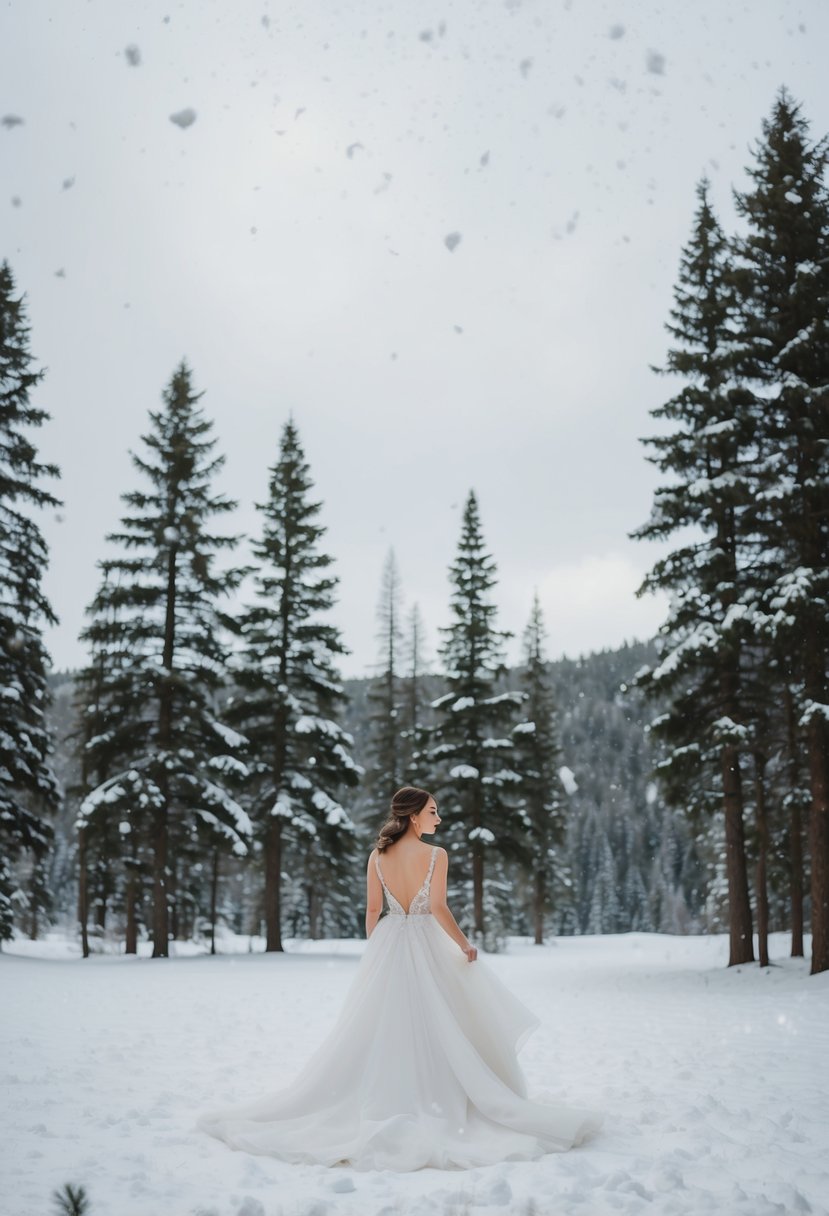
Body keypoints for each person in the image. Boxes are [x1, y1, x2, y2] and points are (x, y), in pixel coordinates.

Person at [197, 786, 601, 1170]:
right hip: (426, 936)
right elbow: (439, 907)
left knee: (385, 1024)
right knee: (443, 1017)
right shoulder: (435, 855)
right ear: (412, 815)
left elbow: (373, 911)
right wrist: (463, 944)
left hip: (390, 939)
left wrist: (381, 947)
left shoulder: (377, 856)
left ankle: (385, 1095)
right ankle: (444, 1096)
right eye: (432, 811)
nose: (438, 819)